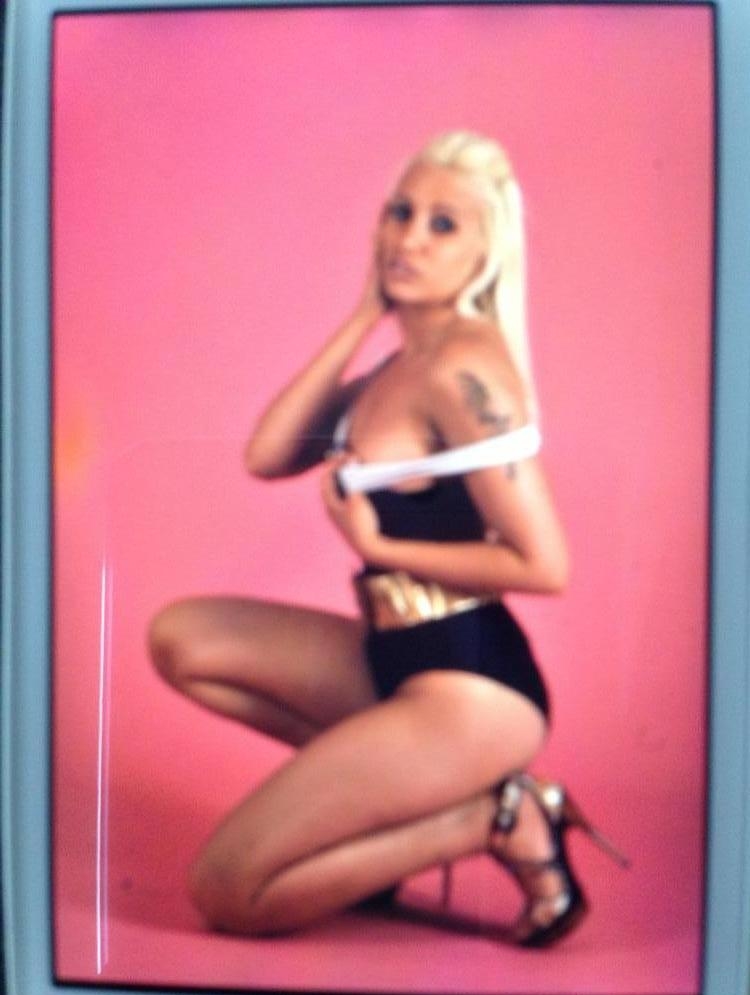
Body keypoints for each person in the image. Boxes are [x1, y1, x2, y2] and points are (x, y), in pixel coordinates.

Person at [148, 130, 627, 949]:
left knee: (227, 892)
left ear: (484, 252)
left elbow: (545, 564)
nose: (410, 238)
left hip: (472, 688)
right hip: (394, 655)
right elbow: (268, 455)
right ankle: (384, 817)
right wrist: (365, 313)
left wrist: (382, 546)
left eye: (444, 224)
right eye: (400, 213)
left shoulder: (465, 373)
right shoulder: (404, 363)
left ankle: (497, 815)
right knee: (183, 638)